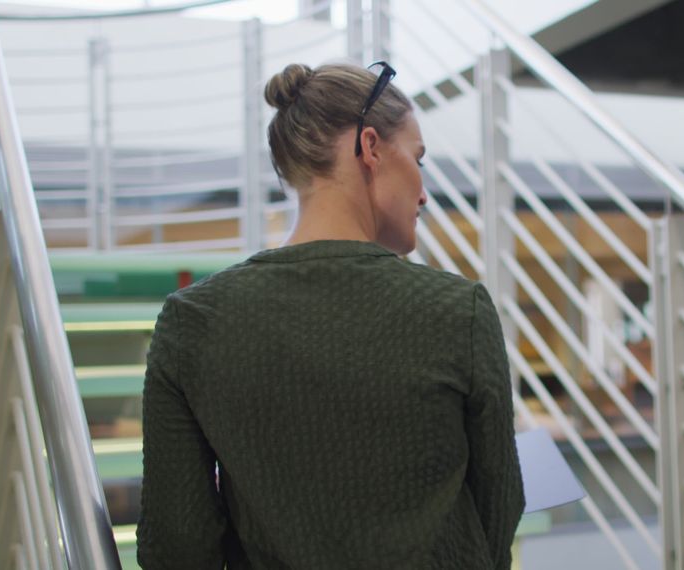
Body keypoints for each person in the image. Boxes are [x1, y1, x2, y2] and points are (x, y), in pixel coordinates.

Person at [136, 61, 525, 569]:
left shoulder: (194, 320)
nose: (425, 192)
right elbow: (499, 509)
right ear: (370, 148)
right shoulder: (457, 311)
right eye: (419, 160)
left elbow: (177, 542)